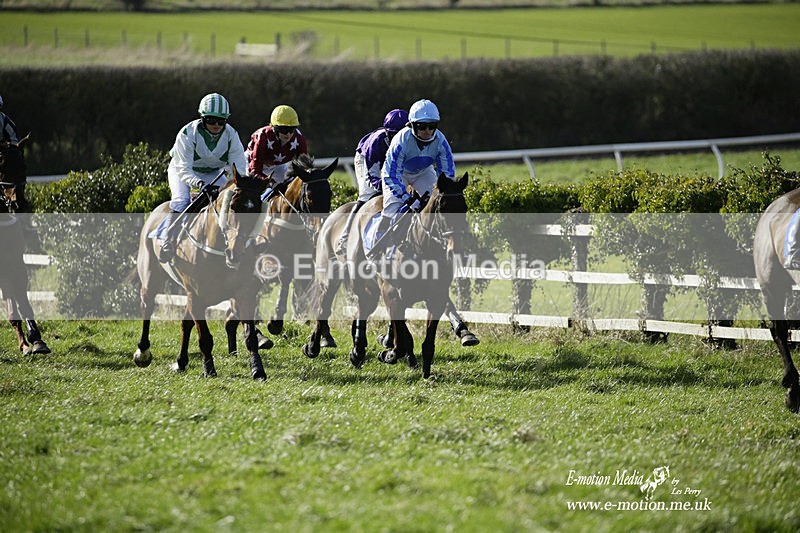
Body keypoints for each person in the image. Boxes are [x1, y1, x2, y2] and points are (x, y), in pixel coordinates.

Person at [159, 92, 248, 263]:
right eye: (210, 120)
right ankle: (167, 240)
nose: (216, 125)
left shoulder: (232, 135)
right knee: (181, 200)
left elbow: (239, 169)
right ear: (202, 118)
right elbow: (184, 169)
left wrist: (233, 185)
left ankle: (245, 241)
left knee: (236, 200)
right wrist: (199, 183)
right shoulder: (187, 133)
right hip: (183, 171)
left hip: (214, 172)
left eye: (220, 121)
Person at [376, 98, 456, 244]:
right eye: (422, 126)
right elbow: (390, 175)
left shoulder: (441, 140)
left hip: (424, 172)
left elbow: (447, 172)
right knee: (392, 206)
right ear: (412, 125)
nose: (427, 131)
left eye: (432, 126)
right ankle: (379, 245)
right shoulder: (401, 140)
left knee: (437, 203)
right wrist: (407, 198)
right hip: (399, 174)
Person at [335, 108, 409, 255]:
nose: (397, 139)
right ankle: (345, 236)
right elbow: (372, 176)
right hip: (366, 160)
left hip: (390, 162)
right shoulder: (376, 143)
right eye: (394, 135)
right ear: (388, 132)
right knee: (367, 195)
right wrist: (387, 187)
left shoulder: (409, 140)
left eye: (401, 135)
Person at [246, 104, 308, 193]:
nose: (288, 134)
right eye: (283, 130)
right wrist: (269, 182)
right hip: (251, 161)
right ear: (273, 127)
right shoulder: (262, 137)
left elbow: (304, 168)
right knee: (251, 187)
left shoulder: (299, 138)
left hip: (277, 165)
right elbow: (255, 170)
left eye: (292, 129)